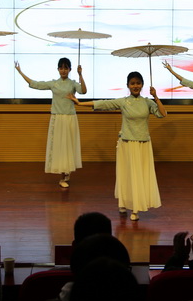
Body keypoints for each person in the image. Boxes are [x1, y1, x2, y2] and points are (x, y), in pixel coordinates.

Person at [69, 71, 166, 221]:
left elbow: (163, 114)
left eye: (138, 83)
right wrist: (80, 103)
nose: (135, 86)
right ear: (128, 85)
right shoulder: (123, 101)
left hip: (143, 145)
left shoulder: (148, 102)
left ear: (142, 85)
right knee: (126, 175)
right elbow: (104, 104)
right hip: (126, 143)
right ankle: (123, 203)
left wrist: (156, 97)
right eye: (132, 83)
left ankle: (135, 208)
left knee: (139, 176)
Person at [15, 58, 86, 188]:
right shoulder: (54, 83)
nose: (63, 70)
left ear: (70, 69)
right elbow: (35, 84)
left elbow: (83, 91)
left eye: (66, 68)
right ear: (58, 69)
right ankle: (62, 177)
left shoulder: (73, 84)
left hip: (70, 118)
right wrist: (20, 72)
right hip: (57, 118)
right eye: (61, 68)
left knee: (69, 146)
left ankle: (67, 172)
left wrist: (80, 74)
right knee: (60, 147)